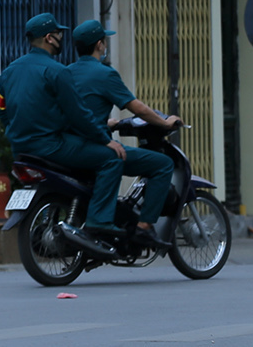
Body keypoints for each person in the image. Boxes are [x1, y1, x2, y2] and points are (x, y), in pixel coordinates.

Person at [0, 12, 125, 248]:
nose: (61, 38)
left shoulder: (9, 72)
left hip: (21, 150)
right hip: (52, 146)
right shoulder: (57, 71)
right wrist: (105, 139)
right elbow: (78, 114)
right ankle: (100, 222)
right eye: (58, 34)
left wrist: (13, 131)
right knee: (110, 159)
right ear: (49, 38)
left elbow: (0, 109)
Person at [64, 19, 178, 245]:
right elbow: (138, 108)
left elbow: (77, 110)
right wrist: (165, 123)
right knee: (163, 164)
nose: (105, 46)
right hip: (95, 147)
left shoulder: (66, 72)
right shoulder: (105, 74)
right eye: (104, 41)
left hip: (69, 146)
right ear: (99, 44)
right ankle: (144, 227)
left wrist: (107, 123)